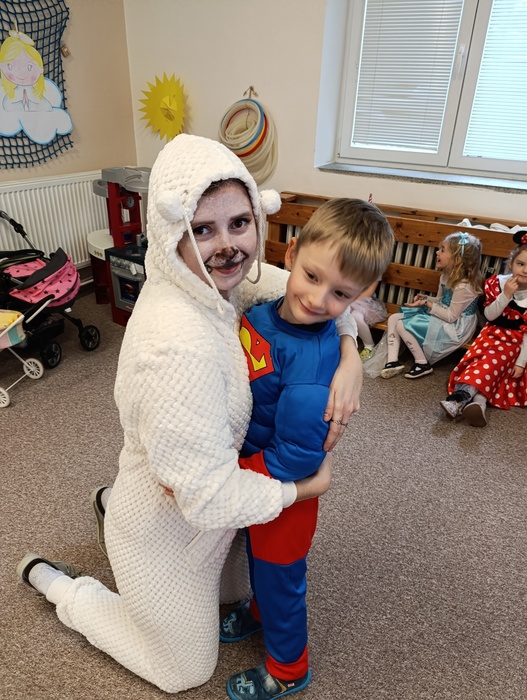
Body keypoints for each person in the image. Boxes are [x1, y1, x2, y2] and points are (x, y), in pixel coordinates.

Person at [16, 134, 364, 695]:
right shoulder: (173, 348)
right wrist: (305, 488)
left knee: (242, 589)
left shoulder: (222, 281)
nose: (228, 248)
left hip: (213, 497)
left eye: (239, 223)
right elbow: (205, 499)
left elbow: (312, 287)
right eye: (202, 229)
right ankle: (61, 586)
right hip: (171, 521)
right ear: (170, 231)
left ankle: (108, 504)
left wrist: (350, 353)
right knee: (184, 670)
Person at [218, 198, 394, 700]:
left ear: (362, 296)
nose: (317, 300)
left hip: (284, 494)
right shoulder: (263, 310)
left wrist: (236, 474)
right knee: (258, 563)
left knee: (281, 581)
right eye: (312, 277)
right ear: (291, 253)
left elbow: (299, 456)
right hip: (259, 472)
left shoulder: (315, 369)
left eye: (340, 294)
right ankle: (257, 612)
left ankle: (289, 669)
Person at [440, 229, 527, 427]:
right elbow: (489, 315)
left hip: (513, 342)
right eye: (521, 264)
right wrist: (505, 295)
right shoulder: (498, 283)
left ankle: (458, 400)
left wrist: (521, 362)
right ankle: (478, 403)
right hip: (489, 333)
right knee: (480, 363)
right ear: (511, 263)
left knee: (491, 363)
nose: (525, 271)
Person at [380, 231, 483, 379]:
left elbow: (451, 316)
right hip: (443, 315)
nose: (437, 252)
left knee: (402, 325)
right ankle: (392, 361)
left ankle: (422, 363)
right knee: (394, 318)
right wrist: (426, 298)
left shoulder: (464, 286)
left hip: (456, 326)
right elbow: (441, 299)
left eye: (443, 250)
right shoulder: (445, 276)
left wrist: (427, 304)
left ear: (457, 259)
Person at [349, 278, 387, 360]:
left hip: (365, 303)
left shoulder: (374, 270)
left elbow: (369, 292)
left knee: (356, 316)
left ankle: (369, 345)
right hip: (346, 298)